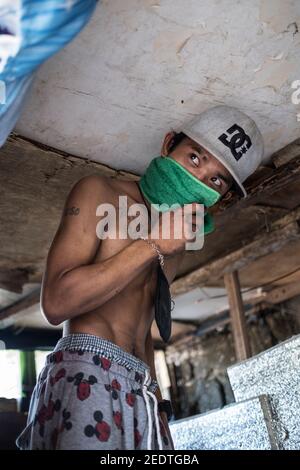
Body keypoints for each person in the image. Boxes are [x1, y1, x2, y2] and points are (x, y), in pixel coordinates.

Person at [16, 105, 264, 450]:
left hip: (142, 388)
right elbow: (56, 304)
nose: (198, 180)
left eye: (215, 180)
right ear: (168, 144)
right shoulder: (99, 192)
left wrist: (159, 404)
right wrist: (153, 244)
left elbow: (142, 324)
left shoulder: (179, 239)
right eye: (195, 158)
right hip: (86, 370)